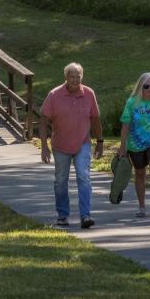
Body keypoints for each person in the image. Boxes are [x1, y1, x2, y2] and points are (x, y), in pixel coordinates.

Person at [40, 62, 103, 229]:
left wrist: (100, 142)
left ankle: (86, 215)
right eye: (72, 77)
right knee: (61, 180)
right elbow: (44, 118)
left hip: (83, 142)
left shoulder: (89, 94)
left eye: (78, 77)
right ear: (66, 77)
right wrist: (44, 145)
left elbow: (95, 119)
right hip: (61, 144)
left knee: (84, 176)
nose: (76, 80)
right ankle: (62, 215)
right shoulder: (54, 95)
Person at [116, 72, 150, 219]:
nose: (149, 89)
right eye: (146, 86)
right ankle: (141, 206)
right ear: (140, 86)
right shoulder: (132, 102)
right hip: (135, 144)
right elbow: (125, 125)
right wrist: (123, 147)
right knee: (140, 173)